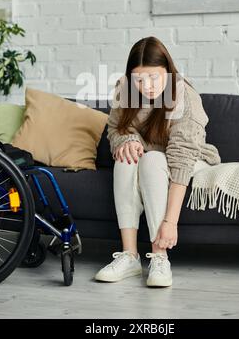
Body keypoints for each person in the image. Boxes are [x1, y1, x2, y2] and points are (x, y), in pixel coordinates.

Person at [94, 36, 221, 287]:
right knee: (126, 157)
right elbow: (115, 129)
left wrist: (170, 223)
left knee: (151, 160)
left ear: (168, 71)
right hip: (149, 157)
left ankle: (159, 257)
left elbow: (182, 159)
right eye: (139, 80)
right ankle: (129, 256)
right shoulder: (125, 89)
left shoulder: (184, 95)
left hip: (192, 159)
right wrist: (127, 140)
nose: (147, 86)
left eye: (154, 77)